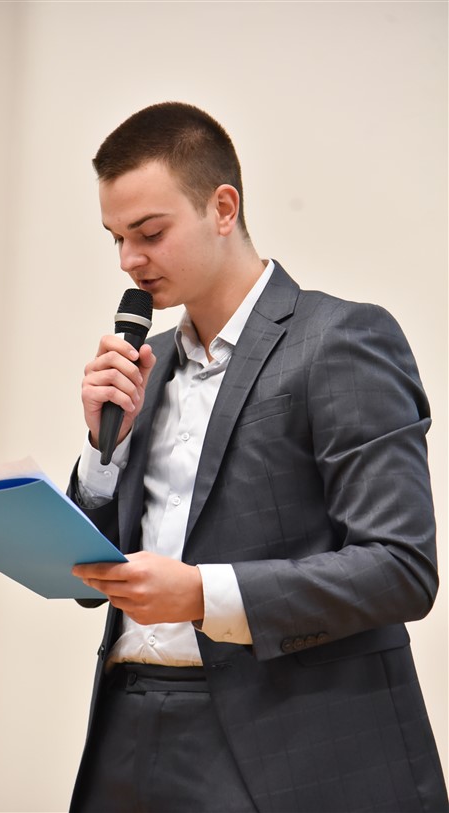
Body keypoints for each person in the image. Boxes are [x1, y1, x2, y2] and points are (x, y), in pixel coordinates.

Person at [68, 102, 448, 813]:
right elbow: (92, 584)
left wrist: (203, 594)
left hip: (284, 735)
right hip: (126, 727)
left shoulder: (340, 339)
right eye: (116, 238)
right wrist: (101, 450)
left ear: (223, 207)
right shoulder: (147, 365)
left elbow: (401, 568)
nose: (128, 260)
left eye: (150, 232)